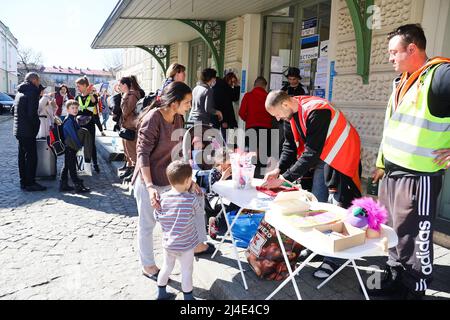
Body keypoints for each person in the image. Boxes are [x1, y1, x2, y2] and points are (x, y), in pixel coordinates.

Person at [369, 24, 450, 300]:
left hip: (419, 177)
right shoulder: (403, 79)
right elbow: (392, 126)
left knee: (416, 238)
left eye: (394, 52)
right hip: (392, 172)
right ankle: (395, 277)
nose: (390, 58)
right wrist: (381, 164)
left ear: (412, 49)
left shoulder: (440, 76)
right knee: (393, 231)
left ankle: (415, 288)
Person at [263, 91, 362, 278]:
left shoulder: (317, 110)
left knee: (335, 208)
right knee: (317, 206)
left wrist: (285, 178)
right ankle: (321, 247)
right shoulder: (290, 114)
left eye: (276, 114)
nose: (277, 118)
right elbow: (289, 147)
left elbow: (312, 152)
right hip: (322, 159)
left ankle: (334, 260)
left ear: (285, 104)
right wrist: (279, 169)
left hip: (341, 157)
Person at [131, 81, 212, 281]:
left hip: (169, 179)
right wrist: (150, 188)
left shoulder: (178, 119)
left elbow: (178, 154)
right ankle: (148, 265)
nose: (190, 107)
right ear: (174, 103)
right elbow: (142, 155)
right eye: (187, 102)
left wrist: (188, 180)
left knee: (197, 199)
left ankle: (197, 244)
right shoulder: (153, 119)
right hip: (148, 179)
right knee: (147, 224)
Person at [154, 160, 204, 300]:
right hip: (186, 244)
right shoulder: (190, 199)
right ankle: (188, 298)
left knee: (166, 267)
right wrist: (198, 197)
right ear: (188, 180)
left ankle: (161, 294)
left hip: (169, 243)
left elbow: (157, 215)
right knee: (186, 270)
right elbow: (199, 213)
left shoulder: (162, 198)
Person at [13, 72, 47, 192]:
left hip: (19, 130)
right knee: (32, 157)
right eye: (38, 81)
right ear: (34, 81)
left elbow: (14, 111)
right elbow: (32, 114)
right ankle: (30, 183)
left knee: (22, 157)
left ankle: (24, 182)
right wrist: (36, 126)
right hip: (27, 131)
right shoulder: (32, 91)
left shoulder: (20, 92)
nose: (39, 83)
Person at [239, 76, 273, 178]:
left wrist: (248, 120)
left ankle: (249, 177)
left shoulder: (248, 96)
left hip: (252, 128)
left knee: (250, 155)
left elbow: (241, 113)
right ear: (264, 86)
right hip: (266, 128)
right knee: (263, 156)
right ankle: (262, 178)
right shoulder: (268, 97)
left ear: (254, 85)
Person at [60, 100, 92, 193]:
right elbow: (73, 134)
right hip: (70, 146)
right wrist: (79, 145)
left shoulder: (72, 119)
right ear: (67, 109)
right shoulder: (69, 120)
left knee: (67, 165)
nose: (75, 110)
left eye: (76, 108)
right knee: (72, 166)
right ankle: (77, 185)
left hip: (70, 146)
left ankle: (63, 184)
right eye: (72, 108)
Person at [118, 76, 143, 181]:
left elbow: (126, 110)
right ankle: (130, 170)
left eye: (120, 85)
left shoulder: (132, 95)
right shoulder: (130, 94)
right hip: (128, 125)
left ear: (125, 85)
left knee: (132, 152)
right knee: (128, 151)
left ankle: (135, 174)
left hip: (131, 126)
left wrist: (124, 97)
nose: (119, 87)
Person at [75, 76, 101, 173]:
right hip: (79, 124)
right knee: (80, 144)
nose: (77, 88)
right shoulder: (77, 97)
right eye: (77, 86)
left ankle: (95, 163)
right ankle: (82, 164)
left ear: (85, 85)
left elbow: (94, 102)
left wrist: (90, 93)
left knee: (91, 144)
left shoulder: (92, 95)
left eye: (79, 86)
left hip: (89, 123)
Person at [213, 72, 240, 136]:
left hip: (218, 121)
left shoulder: (218, 87)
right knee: (229, 142)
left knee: (217, 142)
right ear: (229, 80)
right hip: (226, 121)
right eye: (232, 82)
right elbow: (235, 97)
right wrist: (224, 121)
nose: (232, 85)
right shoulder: (225, 88)